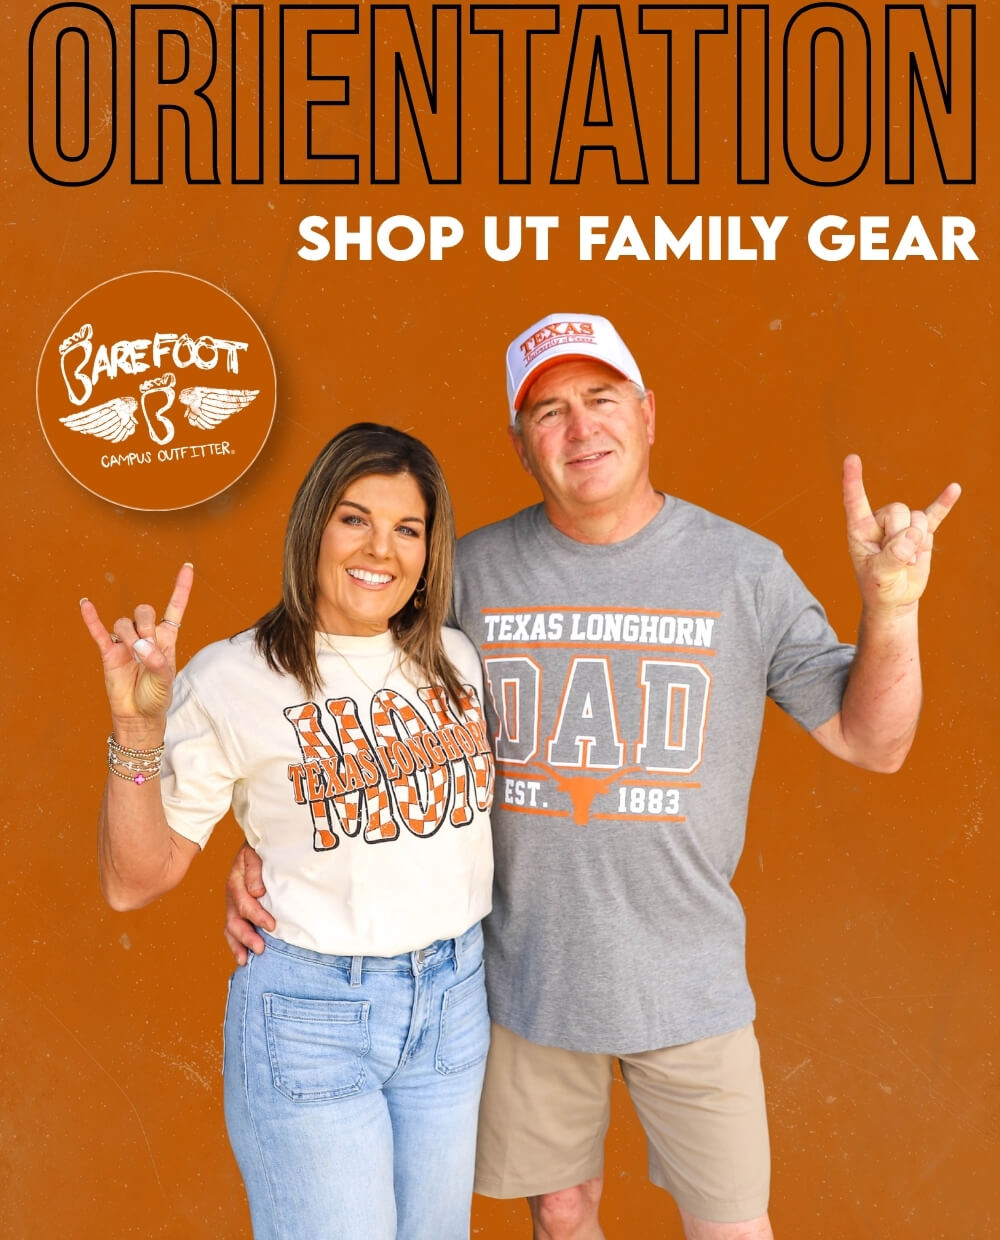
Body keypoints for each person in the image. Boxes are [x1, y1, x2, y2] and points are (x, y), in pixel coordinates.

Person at [225, 318, 960, 1240]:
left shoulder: (743, 570)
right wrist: (273, 850)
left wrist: (892, 607)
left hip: (691, 987)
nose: (580, 429)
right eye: (549, 411)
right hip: (525, 981)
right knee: (562, 1219)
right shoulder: (465, 575)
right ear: (520, 443)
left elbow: (873, 741)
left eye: (602, 400)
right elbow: (335, 695)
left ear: (648, 414)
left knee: (734, 1227)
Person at [82, 422, 495, 1240]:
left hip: (453, 1003)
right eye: (354, 518)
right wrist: (135, 740)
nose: (381, 548)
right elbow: (136, 879)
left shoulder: (455, 659)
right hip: (313, 1018)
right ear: (312, 526)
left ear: (428, 549)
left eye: (406, 528)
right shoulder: (232, 677)